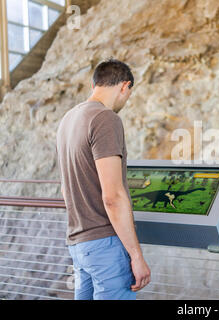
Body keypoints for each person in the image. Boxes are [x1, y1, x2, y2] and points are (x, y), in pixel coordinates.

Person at [56, 59, 151, 300]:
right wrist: (137, 256)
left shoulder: (68, 120)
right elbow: (113, 197)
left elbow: (66, 191)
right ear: (124, 86)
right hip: (105, 245)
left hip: (79, 244)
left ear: (94, 83)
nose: (126, 100)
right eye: (129, 94)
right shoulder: (106, 119)